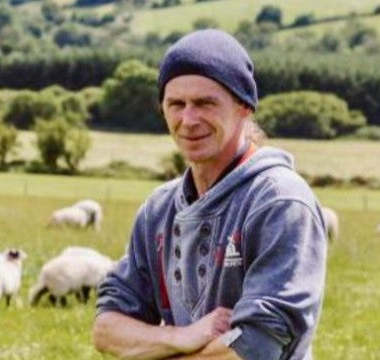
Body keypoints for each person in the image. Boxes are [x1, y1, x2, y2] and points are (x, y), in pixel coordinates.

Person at [93, 29, 327, 360]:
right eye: (176, 104)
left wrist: (152, 347)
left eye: (205, 103)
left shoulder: (280, 202)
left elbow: (255, 346)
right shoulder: (159, 211)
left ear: (244, 106)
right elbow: (107, 328)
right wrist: (182, 335)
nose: (188, 120)